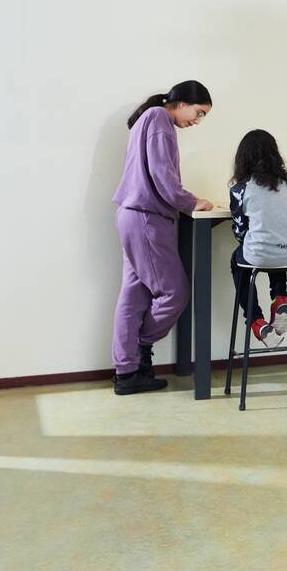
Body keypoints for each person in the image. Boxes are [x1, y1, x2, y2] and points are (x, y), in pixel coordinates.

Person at [110, 81, 215, 395]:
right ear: (181, 103)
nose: (198, 121)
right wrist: (191, 202)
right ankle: (140, 349)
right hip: (146, 218)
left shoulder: (149, 119)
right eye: (199, 113)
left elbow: (157, 174)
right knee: (174, 292)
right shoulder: (158, 118)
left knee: (134, 295)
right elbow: (162, 176)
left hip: (133, 214)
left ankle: (127, 372)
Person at [228, 129, 287, 347]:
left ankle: (256, 321)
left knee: (242, 259)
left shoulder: (240, 189)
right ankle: (280, 297)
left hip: (264, 252)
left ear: (243, 159)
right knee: (278, 245)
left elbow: (239, 231)